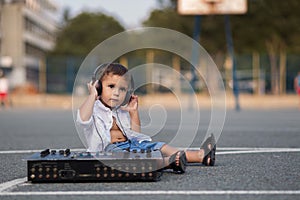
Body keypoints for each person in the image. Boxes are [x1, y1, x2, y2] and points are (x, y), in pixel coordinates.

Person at [76, 63, 216, 173]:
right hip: (108, 152)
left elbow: (135, 133)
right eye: (111, 86)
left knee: (161, 146)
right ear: (99, 87)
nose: (117, 93)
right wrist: (92, 95)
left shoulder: (121, 111)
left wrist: (133, 112)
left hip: (131, 145)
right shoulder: (93, 109)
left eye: (122, 89)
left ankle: (201, 155)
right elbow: (82, 119)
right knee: (136, 159)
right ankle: (169, 162)